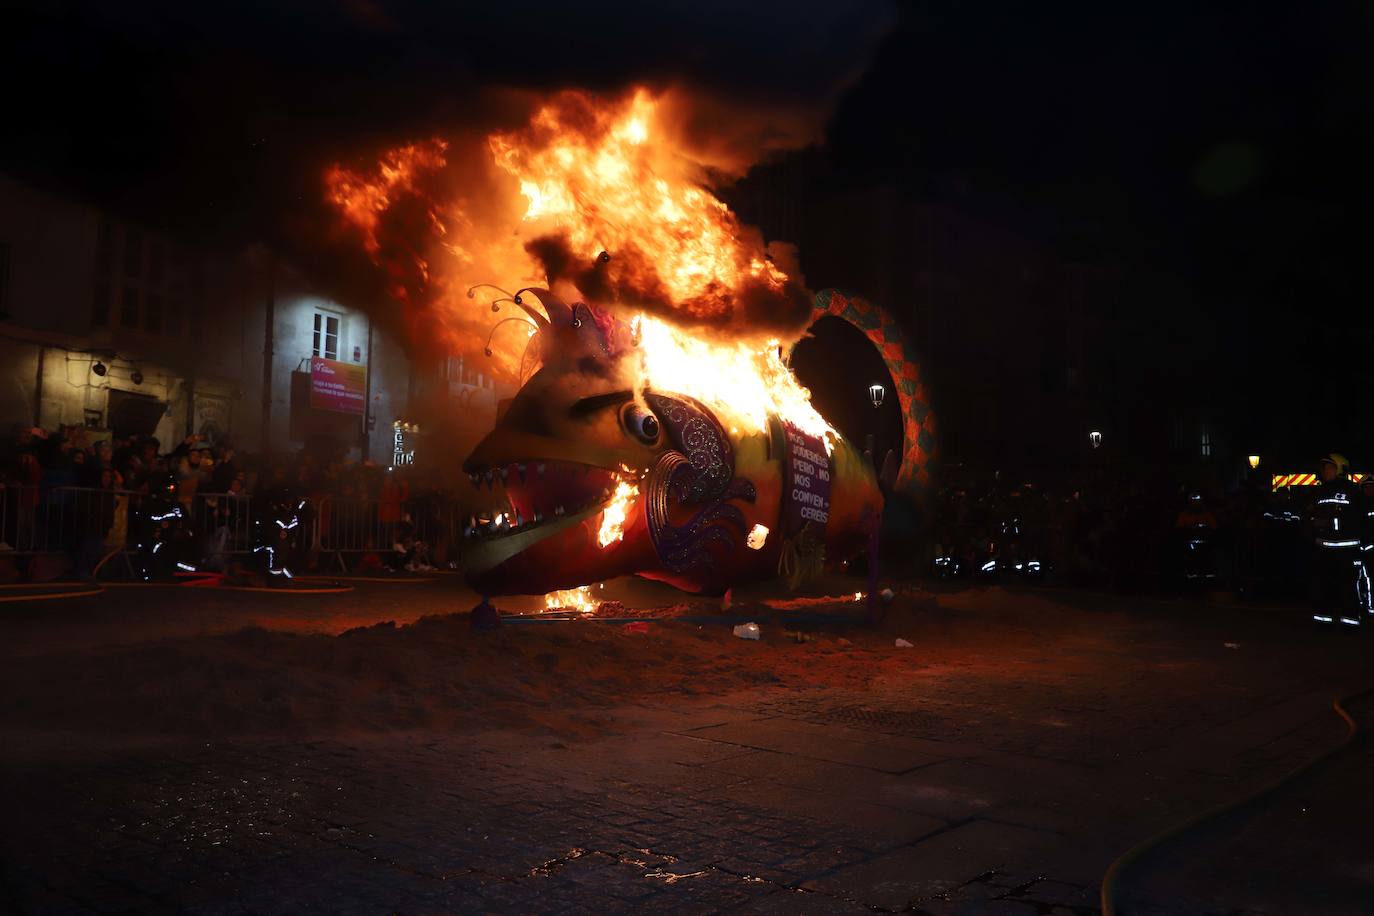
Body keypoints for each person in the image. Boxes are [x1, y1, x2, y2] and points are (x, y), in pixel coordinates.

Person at [1310, 453, 1365, 627]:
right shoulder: (1320, 490)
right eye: (1324, 468)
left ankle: (1350, 619)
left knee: (1348, 585)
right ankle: (1323, 618)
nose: (1326, 471)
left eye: (1330, 467)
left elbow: (1361, 517)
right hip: (1324, 548)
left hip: (1347, 549)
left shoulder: (1352, 490)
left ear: (1340, 469)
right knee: (1323, 584)